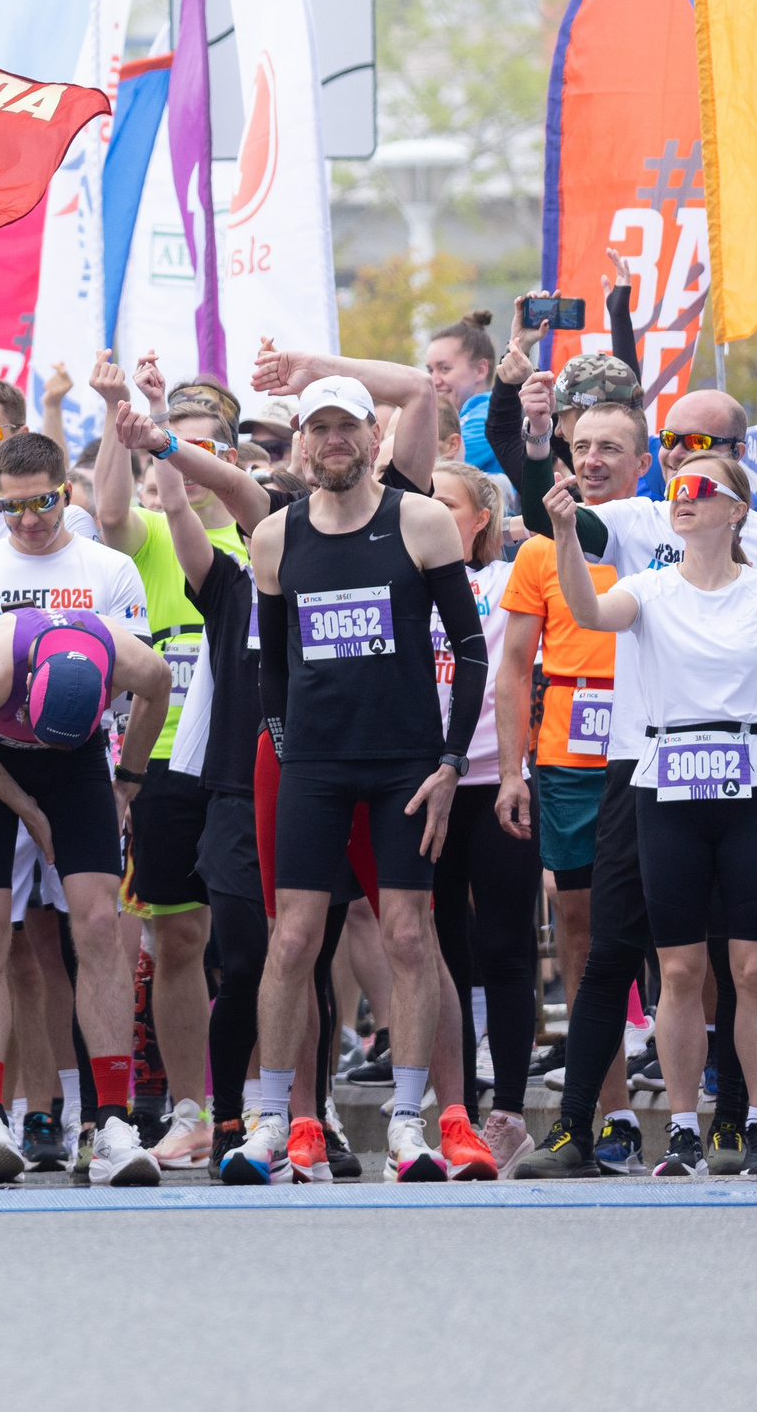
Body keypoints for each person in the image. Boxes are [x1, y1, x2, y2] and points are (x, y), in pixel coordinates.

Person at [509, 382, 757, 1178]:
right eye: (667, 442)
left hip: (746, 771)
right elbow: (552, 525)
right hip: (645, 762)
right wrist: (537, 444)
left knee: (742, 959)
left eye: (696, 446)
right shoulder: (641, 519)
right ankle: (583, 1127)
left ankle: (740, 1121)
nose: (676, 460)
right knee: (619, 951)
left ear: (738, 462)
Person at [221, 378, 490, 1186]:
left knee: (409, 935)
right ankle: (275, 1122)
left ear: (375, 436)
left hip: (405, 764)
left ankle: (410, 1122)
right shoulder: (274, 536)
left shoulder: (420, 519)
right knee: (293, 940)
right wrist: (287, 745)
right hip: (316, 765)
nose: (334, 440)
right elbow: (273, 665)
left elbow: (470, 649)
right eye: (319, 428)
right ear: (301, 443)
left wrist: (449, 762)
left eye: (348, 426)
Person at [0, 432, 165, 1186]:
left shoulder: (108, 570)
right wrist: (24, 806)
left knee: (99, 924)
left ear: (70, 490)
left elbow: (155, 687)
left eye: (45, 502)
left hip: (78, 758)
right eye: (13, 505)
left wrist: (127, 781)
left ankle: (112, 1121)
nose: (30, 521)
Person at [89, 352, 253, 1171]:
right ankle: (194, 1106)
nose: (172, 454)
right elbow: (110, 508)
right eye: (165, 443)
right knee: (179, 938)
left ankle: (279, 1102)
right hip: (161, 760)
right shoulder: (153, 535)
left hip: (252, 760)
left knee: (265, 941)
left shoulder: (264, 530)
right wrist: (121, 416)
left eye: (190, 445)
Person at [492, 401, 638, 1170]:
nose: (593, 459)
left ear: (643, 463)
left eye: (611, 447)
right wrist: (512, 770)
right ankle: (610, 1111)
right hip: (571, 763)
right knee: (581, 932)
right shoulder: (542, 550)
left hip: (656, 753)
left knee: (690, 940)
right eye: (582, 447)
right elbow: (514, 668)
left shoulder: (661, 541)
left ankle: (709, 1105)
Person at [426, 461, 531, 1174]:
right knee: (440, 954)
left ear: (480, 520)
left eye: (443, 502)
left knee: (503, 946)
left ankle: (511, 1112)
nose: (427, 511)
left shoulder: (504, 580)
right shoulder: (408, 576)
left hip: (497, 781)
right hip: (426, 784)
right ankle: (455, 1109)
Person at [425, 310, 501, 473]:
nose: (433, 380)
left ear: (480, 370)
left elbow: (425, 470)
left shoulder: (490, 418)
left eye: (444, 369)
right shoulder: (463, 416)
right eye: (430, 370)